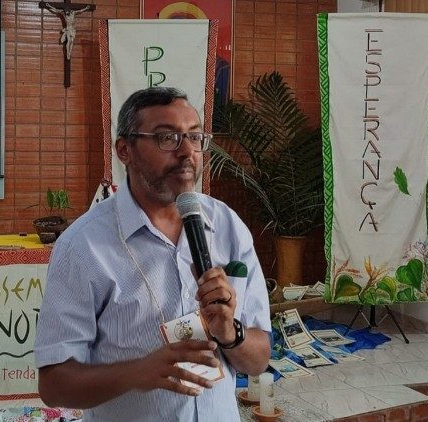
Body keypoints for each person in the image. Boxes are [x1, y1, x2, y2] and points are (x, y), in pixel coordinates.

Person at [34, 87, 271, 421]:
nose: (187, 151)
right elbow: (54, 385)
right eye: (167, 138)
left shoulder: (228, 226)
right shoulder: (83, 246)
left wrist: (230, 333)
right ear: (125, 150)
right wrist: (138, 373)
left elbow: (259, 360)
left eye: (194, 136)